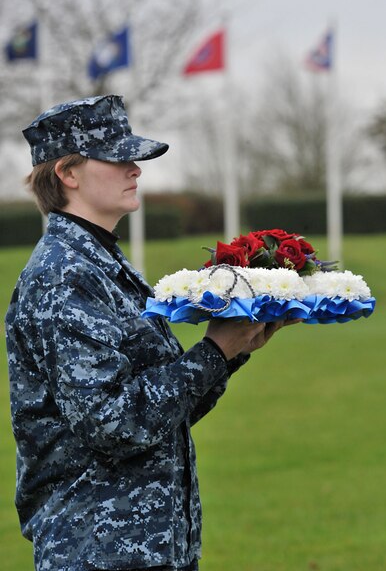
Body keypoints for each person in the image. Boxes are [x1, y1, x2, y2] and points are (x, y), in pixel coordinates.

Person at [5, 94, 298, 571]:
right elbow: (114, 425)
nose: (135, 168)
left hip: (146, 547)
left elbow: (161, 420)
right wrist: (211, 351)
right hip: (95, 548)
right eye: (118, 157)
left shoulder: (103, 264)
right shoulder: (63, 275)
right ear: (68, 173)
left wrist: (234, 349)